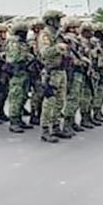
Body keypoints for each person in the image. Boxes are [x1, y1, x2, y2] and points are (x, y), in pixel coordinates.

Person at [36, 10, 68, 143]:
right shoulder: (45, 35)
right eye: (57, 20)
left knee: (60, 101)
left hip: (61, 70)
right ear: (51, 21)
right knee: (49, 102)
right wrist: (57, 48)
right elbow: (44, 53)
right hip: (51, 72)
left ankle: (55, 127)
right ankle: (45, 130)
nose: (59, 23)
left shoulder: (58, 34)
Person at [5, 19, 34, 134]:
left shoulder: (23, 42)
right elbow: (12, 58)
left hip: (24, 73)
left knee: (23, 97)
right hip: (17, 74)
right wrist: (26, 56)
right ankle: (14, 121)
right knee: (16, 97)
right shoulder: (13, 42)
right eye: (23, 32)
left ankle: (20, 118)